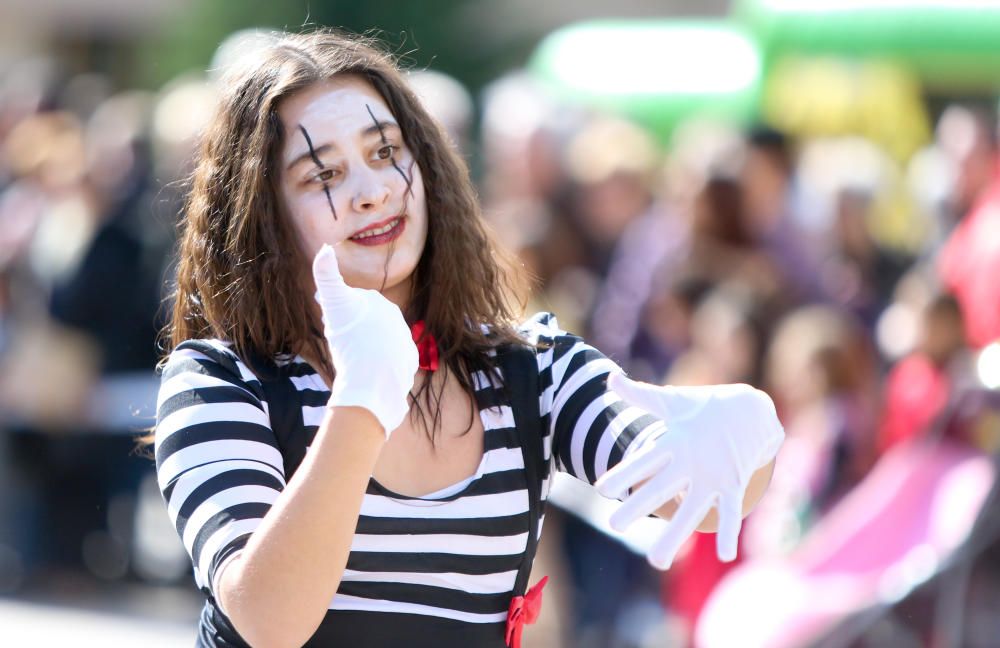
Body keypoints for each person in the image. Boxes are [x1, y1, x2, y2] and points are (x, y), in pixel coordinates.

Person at [151, 30, 783, 648]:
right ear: (264, 213)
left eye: (383, 153)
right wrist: (362, 400)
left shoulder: (527, 368)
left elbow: (673, 480)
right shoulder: (219, 382)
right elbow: (268, 622)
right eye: (323, 176)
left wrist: (743, 442)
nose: (371, 192)